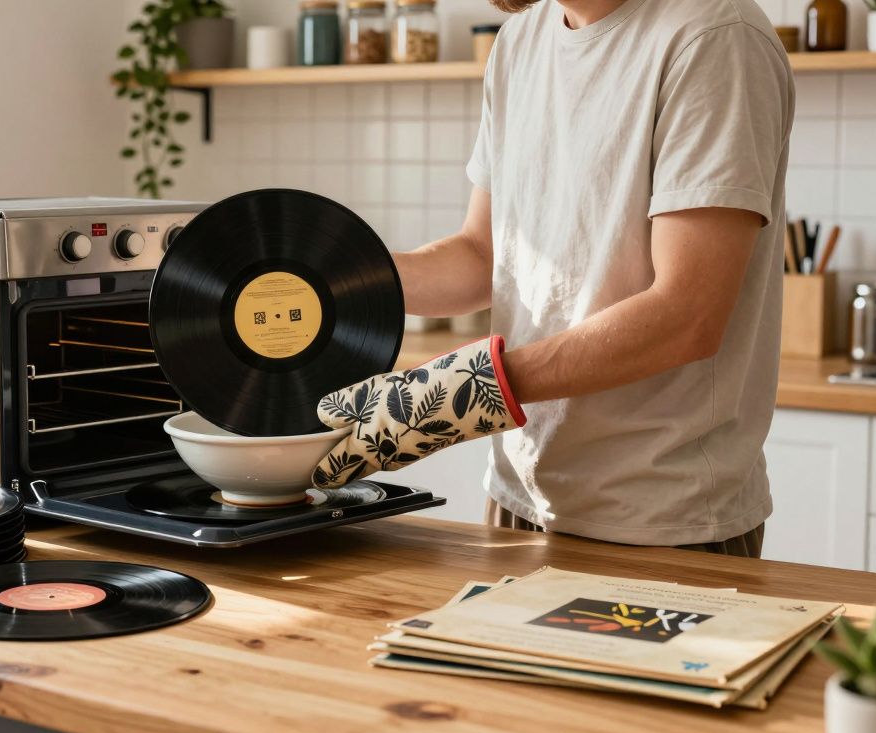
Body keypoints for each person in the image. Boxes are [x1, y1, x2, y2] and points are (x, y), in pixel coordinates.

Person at [314, 0, 793, 558]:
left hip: (660, 521)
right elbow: (480, 255)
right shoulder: (520, 39)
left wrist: (454, 395)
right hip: (518, 500)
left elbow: (686, 315)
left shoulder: (712, 37)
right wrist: (331, 284)